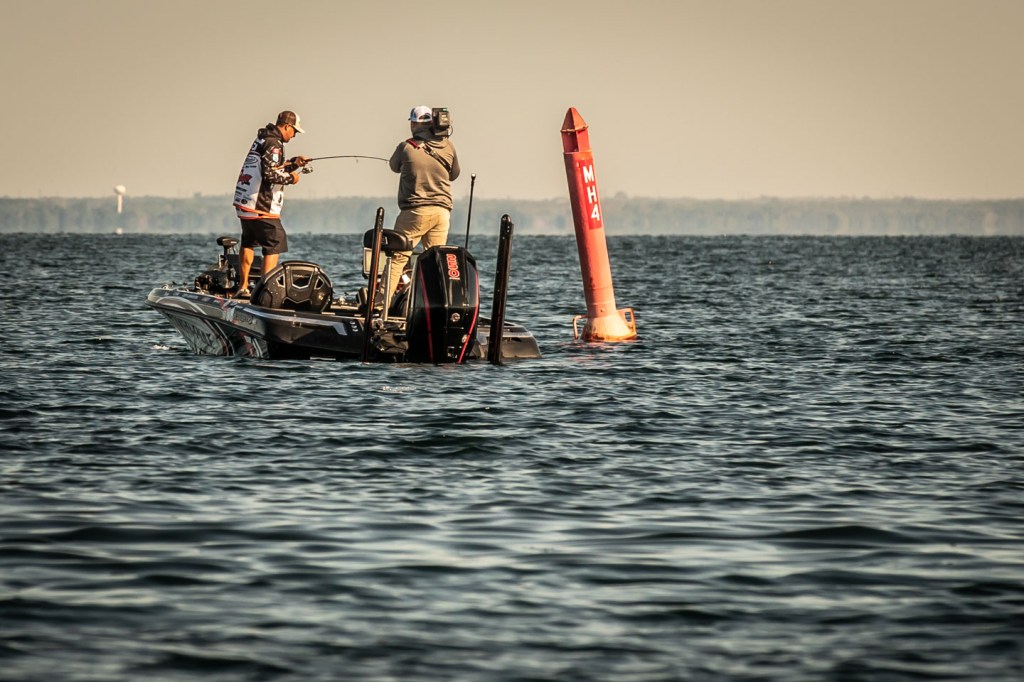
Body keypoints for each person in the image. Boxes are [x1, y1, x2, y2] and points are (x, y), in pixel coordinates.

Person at [385, 105, 461, 303]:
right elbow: (454, 174)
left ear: (413, 124)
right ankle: (435, 304)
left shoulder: (406, 147)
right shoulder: (449, 146)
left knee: (398, 258)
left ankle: (379, 304)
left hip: (414, 213)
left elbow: (393, 166)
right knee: (435, 262)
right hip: (442, 212)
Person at [231, 110, 310, 297]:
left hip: (246, 202)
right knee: (275, 241)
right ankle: (264, 291)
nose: (294, 135)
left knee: (249, 241)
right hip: (262, 204)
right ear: (287, 126)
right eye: (294, 131)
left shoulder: (262, 139)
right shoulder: (274, 144)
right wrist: (292, 178)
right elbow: (270, 174)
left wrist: (293, 164)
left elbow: (270, 166)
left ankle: (243, 287)